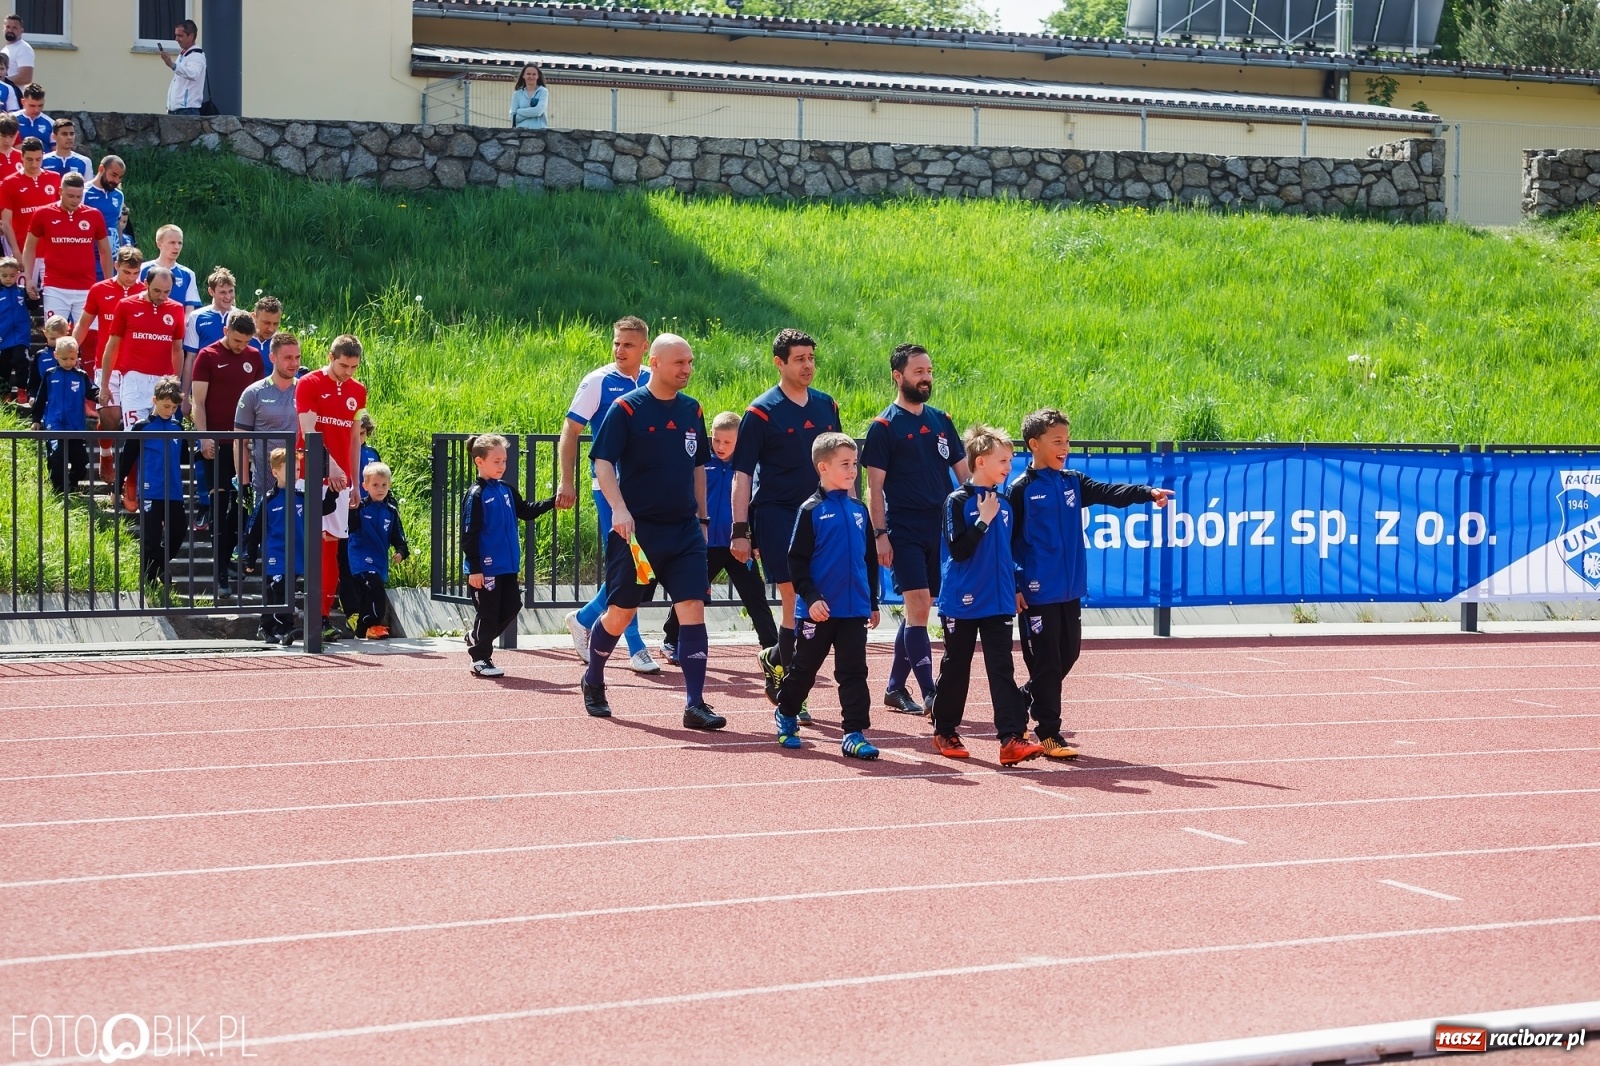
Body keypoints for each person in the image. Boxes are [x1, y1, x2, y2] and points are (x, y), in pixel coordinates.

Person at [1010, 409, 1172, 759]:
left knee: (1068, 654)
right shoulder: (1020, 489)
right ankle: (1049, 732)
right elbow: (1006, 543)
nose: (1064, 447)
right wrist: (1015, 585)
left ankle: (1021, 699)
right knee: (1047, 663)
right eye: (1057, 441)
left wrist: (1147, 493)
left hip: (1070, 589)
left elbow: (1110, 492)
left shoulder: (1072, 481)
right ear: (1034, 444)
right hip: (1037, 592)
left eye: (1067, 441)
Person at [582, 333, 724, 730]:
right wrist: (619, 509)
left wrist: (703, 520)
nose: (687, 369)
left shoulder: (693, 409)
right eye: (679, 362)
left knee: (692, 609)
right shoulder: (627, 408)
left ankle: (695, 704)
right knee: (620, 613)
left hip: (684, 531)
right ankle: (593, 677)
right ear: (656, 363)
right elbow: (603, 462)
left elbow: (698, 467)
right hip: (637, 533)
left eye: (690, 362)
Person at [730, 327, 842, 710]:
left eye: (811, 358)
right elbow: (742, 475)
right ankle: (797, 691)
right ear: (779, 363)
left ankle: (776, 658)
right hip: (777, 515)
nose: (808, 365)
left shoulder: (827, 405)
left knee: (815, 601)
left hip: (820, 515)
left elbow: (842, 464)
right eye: (799, 359)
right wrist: (740, 530)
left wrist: (849, 512)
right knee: (795, 597)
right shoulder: (760, 412)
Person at [926, 426, 1041, 766]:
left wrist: (1014, 587)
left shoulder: (1004, 504)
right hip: (961, 601)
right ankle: (945, 730)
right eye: (1002, 460)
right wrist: (983, 521)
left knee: (1002, 668)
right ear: (980, 462)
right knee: (957, 666)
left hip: (998, 600)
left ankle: (1011, 738)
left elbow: (1007, 552)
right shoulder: (957, 501)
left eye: (1010, 460)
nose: (1009, 466)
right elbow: (959, 551)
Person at [863, 342, 966, 717]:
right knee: (919, 605)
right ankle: (931, 695)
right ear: (898, 376)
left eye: (929, 371)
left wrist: (983, 507)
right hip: (902, 527)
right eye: (918, 371)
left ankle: (894, 687)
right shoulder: (883, 427)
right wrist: (880, 535)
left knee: (918, 609)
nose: (926, 378)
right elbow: (874, 489)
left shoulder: (941, 420)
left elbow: (964, 475)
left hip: (937, 527)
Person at [556, 315, 658, 674]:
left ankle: (584, 618)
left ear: (644, 347)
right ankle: (635, 645)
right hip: (610, 488)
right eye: (616, 343)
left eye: (628, 344)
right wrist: (566, 481)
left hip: (649, 490)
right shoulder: (598, 381)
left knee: (646, 563)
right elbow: (570, 430)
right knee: (628, 563)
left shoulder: (654, 379)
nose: (619, 349)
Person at [774, 433, 881, 758]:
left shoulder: (859, 509)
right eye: (844, 464)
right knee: (804, 669)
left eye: (854, 464)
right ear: (823, 467)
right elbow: (796, 561)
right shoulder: (811, 510)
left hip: (854, 610)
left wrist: (872, 603)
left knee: (854, 672)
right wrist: (812, 597)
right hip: (818, 611)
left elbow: (869, 559)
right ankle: (786, 712)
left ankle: (854, 733)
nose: (852, 470)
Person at [661, 410, 779, 664]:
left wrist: (755, 541)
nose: (720, 446)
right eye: (716, 440)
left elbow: (754, 506)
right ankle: (670, 640)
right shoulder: (702, 464)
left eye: (728, 441)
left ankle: (772, 648)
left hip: (738, 544)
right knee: (690, 594)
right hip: (704, 544)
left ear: (740, 440)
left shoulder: (749, 468)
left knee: (755, 595)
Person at [461, 434, 554, 677]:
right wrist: (475, 568)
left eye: (504, 461)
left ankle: (476, 637)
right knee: (488, 613)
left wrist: (553, 502)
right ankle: (480, 659)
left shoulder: (506, 490)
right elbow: (469, 533)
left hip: (507, 565)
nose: (502, 466)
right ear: (479, 461)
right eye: (496, 461)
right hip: (486, 568)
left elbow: (526, 511)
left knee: (512, 605)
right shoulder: (476, 494)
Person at [295, 333, 366, 641]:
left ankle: (322, 617)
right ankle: (293, 615)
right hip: (309, 476)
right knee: (308, 546)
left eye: (354, 367)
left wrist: (355, 482)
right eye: (343, 365)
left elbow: (353, 438)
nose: (348, 372)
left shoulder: (358, 391)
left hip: (341, 482)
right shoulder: (309, 383)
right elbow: (309, 431)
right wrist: (331, 466)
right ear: (330, 357)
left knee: (331, 547)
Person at [191, 311, 261, 592]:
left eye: (246, 341)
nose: (240, 346)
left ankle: (227, 556)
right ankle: (219, 572)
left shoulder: (254, 356)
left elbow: (258, 401)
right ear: (225, 330)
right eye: (236, 340)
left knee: (240, 507)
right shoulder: (207, 356)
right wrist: (203, 437)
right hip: (217, 445)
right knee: (219, 507)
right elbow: (198, 402)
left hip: (244, 447)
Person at [243, 447, 338, 646]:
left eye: (297, 469)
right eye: (290, 469)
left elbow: (324, 508)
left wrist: (332, 493)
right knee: (281, 588)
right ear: (275, 472)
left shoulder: (302, 496)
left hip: (296, 554)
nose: (295, 473)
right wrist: (250, 557)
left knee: (276, 591)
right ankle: (285, 628)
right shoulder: (268, 500)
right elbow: (254, 531)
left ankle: (265, 626)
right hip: (276, 555)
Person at [116, 376, 187, 586]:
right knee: (151, 537)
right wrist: (117, 486)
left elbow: (184, 456)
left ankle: (159, 566)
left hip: (174, 491)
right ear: (154, 400)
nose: (170, 411)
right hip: (151, 490)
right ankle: (149, 582)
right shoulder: (142, 427)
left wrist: (203, 453)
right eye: (166, 406)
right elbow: (127, 458)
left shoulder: (178, 427)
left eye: (174, 407)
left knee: (179, 531)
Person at [21, 171, 113, 323]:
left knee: (89, 335)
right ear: (60, 191)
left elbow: (105, 251)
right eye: (70, 196)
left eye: (78, 196)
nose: (75, 200)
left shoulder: (94, 215)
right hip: (55, 287)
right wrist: (28, 278)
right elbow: (29, 248)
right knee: (55, 333)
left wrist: (109, 283)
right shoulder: (43, 214)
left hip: (86, 287)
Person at [99, 266, 183, 431]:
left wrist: (176, 382)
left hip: (163, 380)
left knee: (163, 434)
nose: (162, 296)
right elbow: (112, 346)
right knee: (134, 433)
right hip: (133, 380)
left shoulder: (177, 309)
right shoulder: (126, 305)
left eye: (167, 292)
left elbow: (177, 349)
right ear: (146, 283)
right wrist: (104, 384)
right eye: (157, 290)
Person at [234, 332, 303, 503]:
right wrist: (243, 484)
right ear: (272, 357)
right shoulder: (253, 393)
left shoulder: (306, 391)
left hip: (302, 485)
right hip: (264, 487)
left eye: (297, 357)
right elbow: (240, 442)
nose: (294, 363)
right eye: (288, 358)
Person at [347, 461, 410, 640]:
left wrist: (401, 551)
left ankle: (362, 631)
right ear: (365, 486)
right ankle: (373, 624)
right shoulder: (359, 507)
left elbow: (398, 536)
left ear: (389, 485)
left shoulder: (391, 511)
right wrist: (351, 510)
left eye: (384, 485)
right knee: (376, 589)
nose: (380, 489)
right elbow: (350, 527)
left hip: (379, 559)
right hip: (360, 557)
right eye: (375, 485)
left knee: (369, 593)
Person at [29, 337, 96, 493]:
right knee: (57, 458)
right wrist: (36, 419)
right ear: (56, 355)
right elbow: (41, 399)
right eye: (64, 358)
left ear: (77, 355)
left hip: (75, 426)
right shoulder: (50, 375)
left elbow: (92, 391)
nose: (68, 362)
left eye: (72, 358)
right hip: (55, 425)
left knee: (81, 461)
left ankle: (72, 484)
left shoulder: (81, 376)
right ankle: (58, 490)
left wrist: (100, 396)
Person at [0, 137, 56, 262]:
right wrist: (15, 252)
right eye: (29, 159)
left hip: (51, 251)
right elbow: (6, 222)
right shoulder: (9, 182)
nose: (34, 164)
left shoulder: (55, 178)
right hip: (22, 250)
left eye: (38, 159)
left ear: (43, 156)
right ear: (22, 156)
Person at [84, 156, 127, 269]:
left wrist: (121, 252)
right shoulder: (84, 193)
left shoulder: (119, 195)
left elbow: (117, 224)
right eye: (114, 175)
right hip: (90, 258)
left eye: (120, 177)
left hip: (113, 259)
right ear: (101, 169)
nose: (117, 181)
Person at [161, 20, 206, 117]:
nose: (176, 39)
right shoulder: (183, 54)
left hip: (187, 110)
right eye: (176, 35)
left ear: (191, 36)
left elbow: (193, 74)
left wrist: (173, 65)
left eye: (180, 36)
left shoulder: (197, 55)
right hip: (177, 110)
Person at [187, 266, 235, 354]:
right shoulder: (196, 317)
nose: (228, 297)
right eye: (223, 292)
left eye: (231, 291)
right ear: (211, 292)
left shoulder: (242, 316)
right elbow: (191, 356)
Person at [0, 255, 26, 401]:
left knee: (20, 360)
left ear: (17, 274)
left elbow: (33, 305)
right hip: (3, 336)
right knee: (4, 366)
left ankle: (22, 389)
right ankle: (5, 393)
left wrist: (34, 297)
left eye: (12, 275)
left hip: (21, 336)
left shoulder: (22, 291)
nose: (8, 279)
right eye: (4, 276)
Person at [12, 83, 49, 151]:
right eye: (32, 106)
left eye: (40, 105)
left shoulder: (50, 123)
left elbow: (55, 150)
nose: (37, 110)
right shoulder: (12, 120)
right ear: (23, 102)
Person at [510, 65, 549, 130]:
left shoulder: (543, 91)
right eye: (528, 74)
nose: (531, 76)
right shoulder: (517, 94)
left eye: (534, 74)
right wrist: (532, 113)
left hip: (539, 131)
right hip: (521, 132)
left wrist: (519, 111)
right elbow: (513, 117)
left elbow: (538, 111)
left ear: (538, 76)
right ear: (523, 75)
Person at [3, 16, 33, 89]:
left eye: (14, 28)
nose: (10, 30)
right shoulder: (5, 50)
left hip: (15, 95)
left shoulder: (24, 48)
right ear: (3, 28)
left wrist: (3, 81)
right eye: (8, 27)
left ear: (21, 31)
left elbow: (26, 78)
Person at [248, 294, 282, 361]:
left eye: (275, 323)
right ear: (254, 317)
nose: (271, 329)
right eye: (266, 323)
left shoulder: (282, 344)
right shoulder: (240, 341)